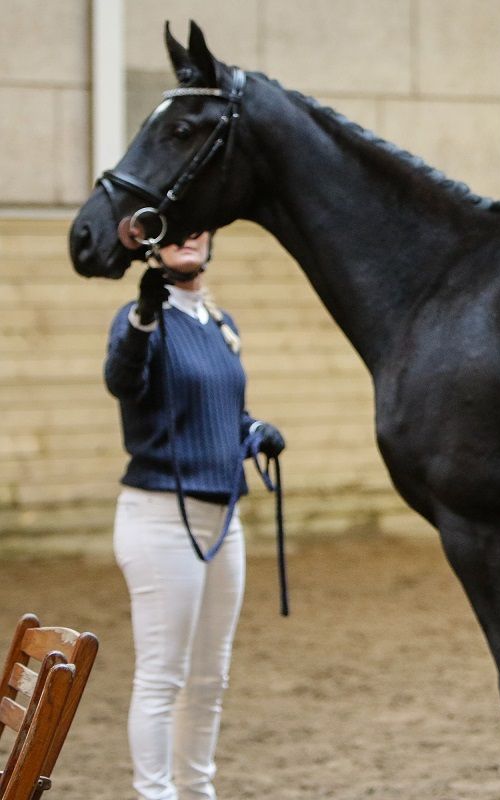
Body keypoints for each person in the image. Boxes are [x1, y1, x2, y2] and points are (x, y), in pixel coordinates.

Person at [104, 230, 284, 800]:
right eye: (176, 229)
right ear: (153, 249)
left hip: (222, 516)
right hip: (159, 516)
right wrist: (143, 315)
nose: (188, 236)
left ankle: (197, 791)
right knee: (163, 676)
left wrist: (255, 432)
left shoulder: (220, 322)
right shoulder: (141, 320)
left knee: (211, 678)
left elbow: (229, 411)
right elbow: (123, 381)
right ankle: (155, 795)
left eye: (199, 228)